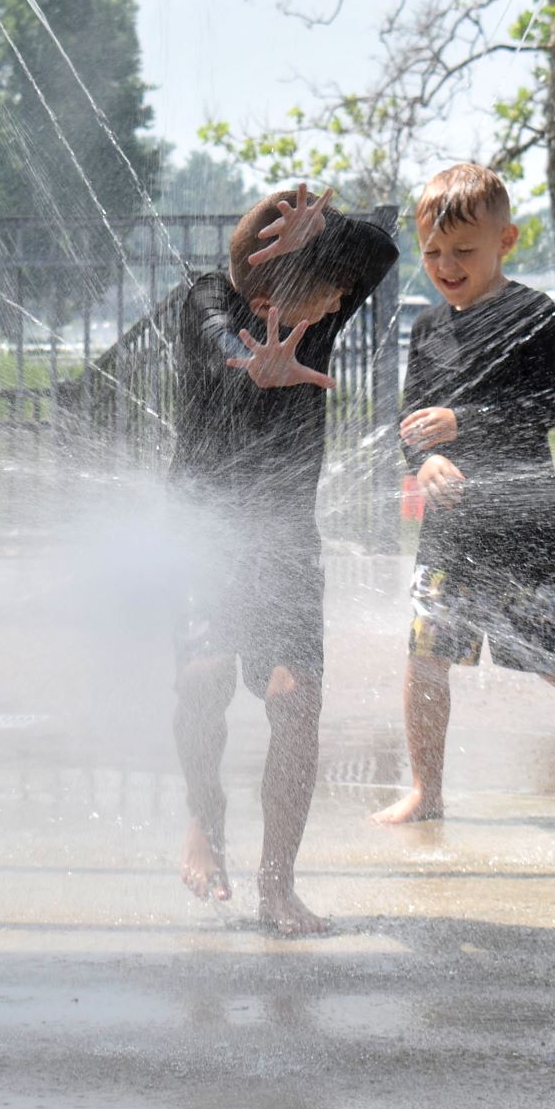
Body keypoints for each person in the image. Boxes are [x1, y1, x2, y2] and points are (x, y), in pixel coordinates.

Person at [371, 163, 555, 827]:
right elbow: (411, 420)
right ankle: (426, 789)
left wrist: (462, 423)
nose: (446, 265)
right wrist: (425, 460)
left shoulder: (532, 314)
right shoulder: (427, 329)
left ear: (507, 240)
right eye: (433, 252)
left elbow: (545, 406)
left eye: (464, 250)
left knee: (553, 655)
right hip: (449, 534)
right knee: (426, 655)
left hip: (522, 531)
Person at [172, 186, 400, 934]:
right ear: (268, 296)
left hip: (285, 539)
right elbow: (218, 335)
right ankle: (204, 817)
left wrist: (325, 229)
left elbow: (382, 251)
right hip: (203, 535)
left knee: (296, 704)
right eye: (328, 292)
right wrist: (252, 360)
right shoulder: (206, 298)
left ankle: (278, 884)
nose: (339, 304)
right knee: (203, 682)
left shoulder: (318, 318)